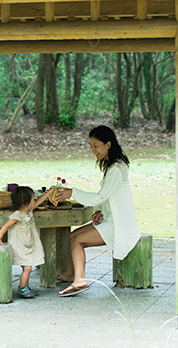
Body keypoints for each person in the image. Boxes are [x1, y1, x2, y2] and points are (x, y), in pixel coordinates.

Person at [53, 125, 141, 297]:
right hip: (110, 219)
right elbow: (108, 194)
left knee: (78, 241)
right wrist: (99, 209)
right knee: (73, 236)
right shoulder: (112, 165)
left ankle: (80, 280)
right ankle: (71, 274)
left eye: (96, 146)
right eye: (91, 146)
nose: (93, 150)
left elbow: (101, 195)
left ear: (108, 144)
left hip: (118, 225)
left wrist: (73, 192)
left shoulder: (116, 168)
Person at [0, 186, 53, 298]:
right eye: (32, 199)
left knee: (28, 267)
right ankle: (22, 289)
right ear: (25, 203)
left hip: (28, 245)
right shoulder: (17, 216)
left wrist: (50, 192)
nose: (35, 201)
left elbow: (39, 200)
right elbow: (5, 226)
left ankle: (26, 286)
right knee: (27, 268)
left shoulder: (29, 211)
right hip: (19, 247)